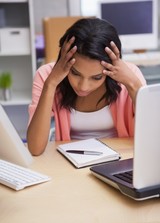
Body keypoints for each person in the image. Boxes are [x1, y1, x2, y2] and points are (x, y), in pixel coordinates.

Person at [27, 17, 146, 156]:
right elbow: (35, 148)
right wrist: (51, 83)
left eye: (96, 77)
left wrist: (133, 85)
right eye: (75, 73)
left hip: (120, 158)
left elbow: (153, 141)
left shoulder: (129, 75)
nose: (83, 87)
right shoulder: (47, 75)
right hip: (71, 162)